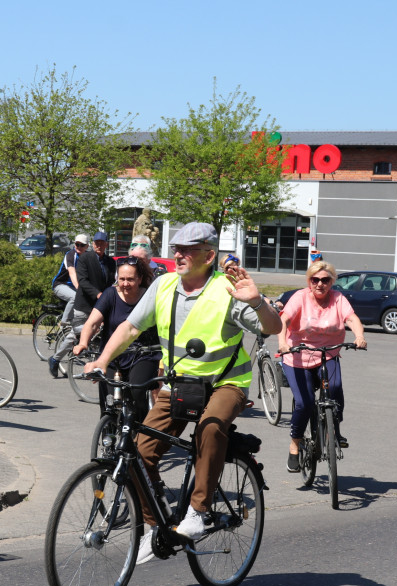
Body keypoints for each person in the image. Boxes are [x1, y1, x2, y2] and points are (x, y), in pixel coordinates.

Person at [85, 222, 282, 565]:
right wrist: (102, 360)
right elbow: (130, 326)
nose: (178, 254)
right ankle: (152, 528)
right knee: (137, 453)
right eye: (176, 248)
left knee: (210, 427)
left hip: (225, 383)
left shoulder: (228, 290)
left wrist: (258, 302)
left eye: (187, 250)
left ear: (209, 255)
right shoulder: (163, 286)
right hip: (180, 384)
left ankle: (199, 510)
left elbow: (273, 327)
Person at [277, 261, 367, 473]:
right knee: (304, 403)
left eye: (325, 280)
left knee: (335, 388)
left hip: (328, 353)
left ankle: (334, 430)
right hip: (297, 356)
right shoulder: (300, 297)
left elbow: (352, 318)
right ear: (309, 281)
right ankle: (295, 445)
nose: (320, 284)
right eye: (315, 280)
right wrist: (282, 343)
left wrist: (359, 336)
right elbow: (284, 319)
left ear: (332, 282)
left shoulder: (338, 299)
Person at [73, 256, 159, 424]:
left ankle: (138, 436)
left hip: (142, 355)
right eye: (122, 279)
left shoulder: (149, 297)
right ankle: (108, 437)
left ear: (140, 279)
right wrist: (83, 342)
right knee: (108, 400)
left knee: (137, 392)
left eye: (130, 279)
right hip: (112, 355)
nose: (125, 283)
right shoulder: (110, 294)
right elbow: (92, 323)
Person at [50, 230, 116, 377]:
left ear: (106, 244)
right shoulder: (85, 258)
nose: (99, 245)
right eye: (96, 243)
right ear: (93, 244)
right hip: (84, 303)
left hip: (100, 304)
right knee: (76, 334)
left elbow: (111, 282)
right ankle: (55, 359)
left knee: (105, 330)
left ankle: (101, 364)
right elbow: (83, 281)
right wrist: (98, 294)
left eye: (102, 243)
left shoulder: (110, 262)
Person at [51, 234, 89, 324]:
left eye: (82, 245)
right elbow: (72, 273)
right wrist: (79, 289)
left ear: (87, 246)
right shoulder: (71, 255)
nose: (79, 247)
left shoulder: (88, 257)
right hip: (60, 284)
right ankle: (64, 323)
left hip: (73, 287)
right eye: (77, 244)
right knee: (75, 297)